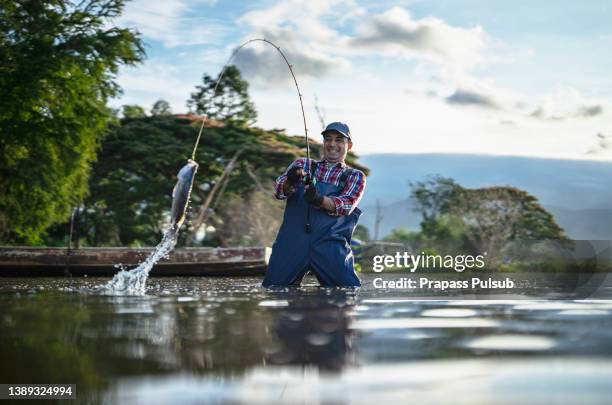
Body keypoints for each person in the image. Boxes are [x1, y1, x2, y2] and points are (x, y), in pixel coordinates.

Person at [262, 122, 366, 287]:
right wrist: (291, 181)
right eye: (328, 139)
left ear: (349, 145)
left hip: (330, 245)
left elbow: (346, 205)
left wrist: (318, 199)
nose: (332, 144)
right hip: (291, 244)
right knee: (274, 289)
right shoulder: (302, 164)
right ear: (323, 142)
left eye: (339, 140)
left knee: (347, 292)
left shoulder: (355, 176)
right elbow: (279, 192)